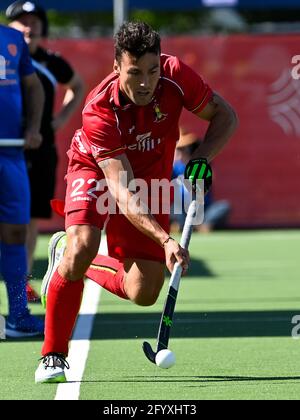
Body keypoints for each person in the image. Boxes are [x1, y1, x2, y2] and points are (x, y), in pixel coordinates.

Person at [34, 21, 238, 383]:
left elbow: (225, 116)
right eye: (134, 73)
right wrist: (165, 239)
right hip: (97, 169)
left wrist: (202, 158)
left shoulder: (175, 76)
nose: (146, 82)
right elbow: (121, 189)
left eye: (152, 70)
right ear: (116, 68)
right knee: (84, 244)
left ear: (161, 63)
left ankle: (65, 253)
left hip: (149, 178)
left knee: (143, 292)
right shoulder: (99, 110)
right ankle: (53, 354)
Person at [6, 1, 85, 302]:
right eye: (22, 21)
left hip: (40, 152)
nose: (29, 26)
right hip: (6, 150)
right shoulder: (4, 60)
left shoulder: (52, 62)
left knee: (29, 219)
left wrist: (59, 120)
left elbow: (76, 85)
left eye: (34, 21)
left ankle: (21, 283)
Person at [0, 22, 45, 337]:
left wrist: (32, 128)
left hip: (10, 154)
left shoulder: (13, 38)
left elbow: (34, 88)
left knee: (16, 232)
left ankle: (18, 315)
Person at [171, 130, 231, 233]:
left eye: (184, 151)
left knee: (224, 206)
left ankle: (202, 226)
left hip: (204, 210)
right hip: (183, 210)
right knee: (171, 207)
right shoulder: (176, 168)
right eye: (180, 151)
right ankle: (185, 225)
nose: (181, 154)